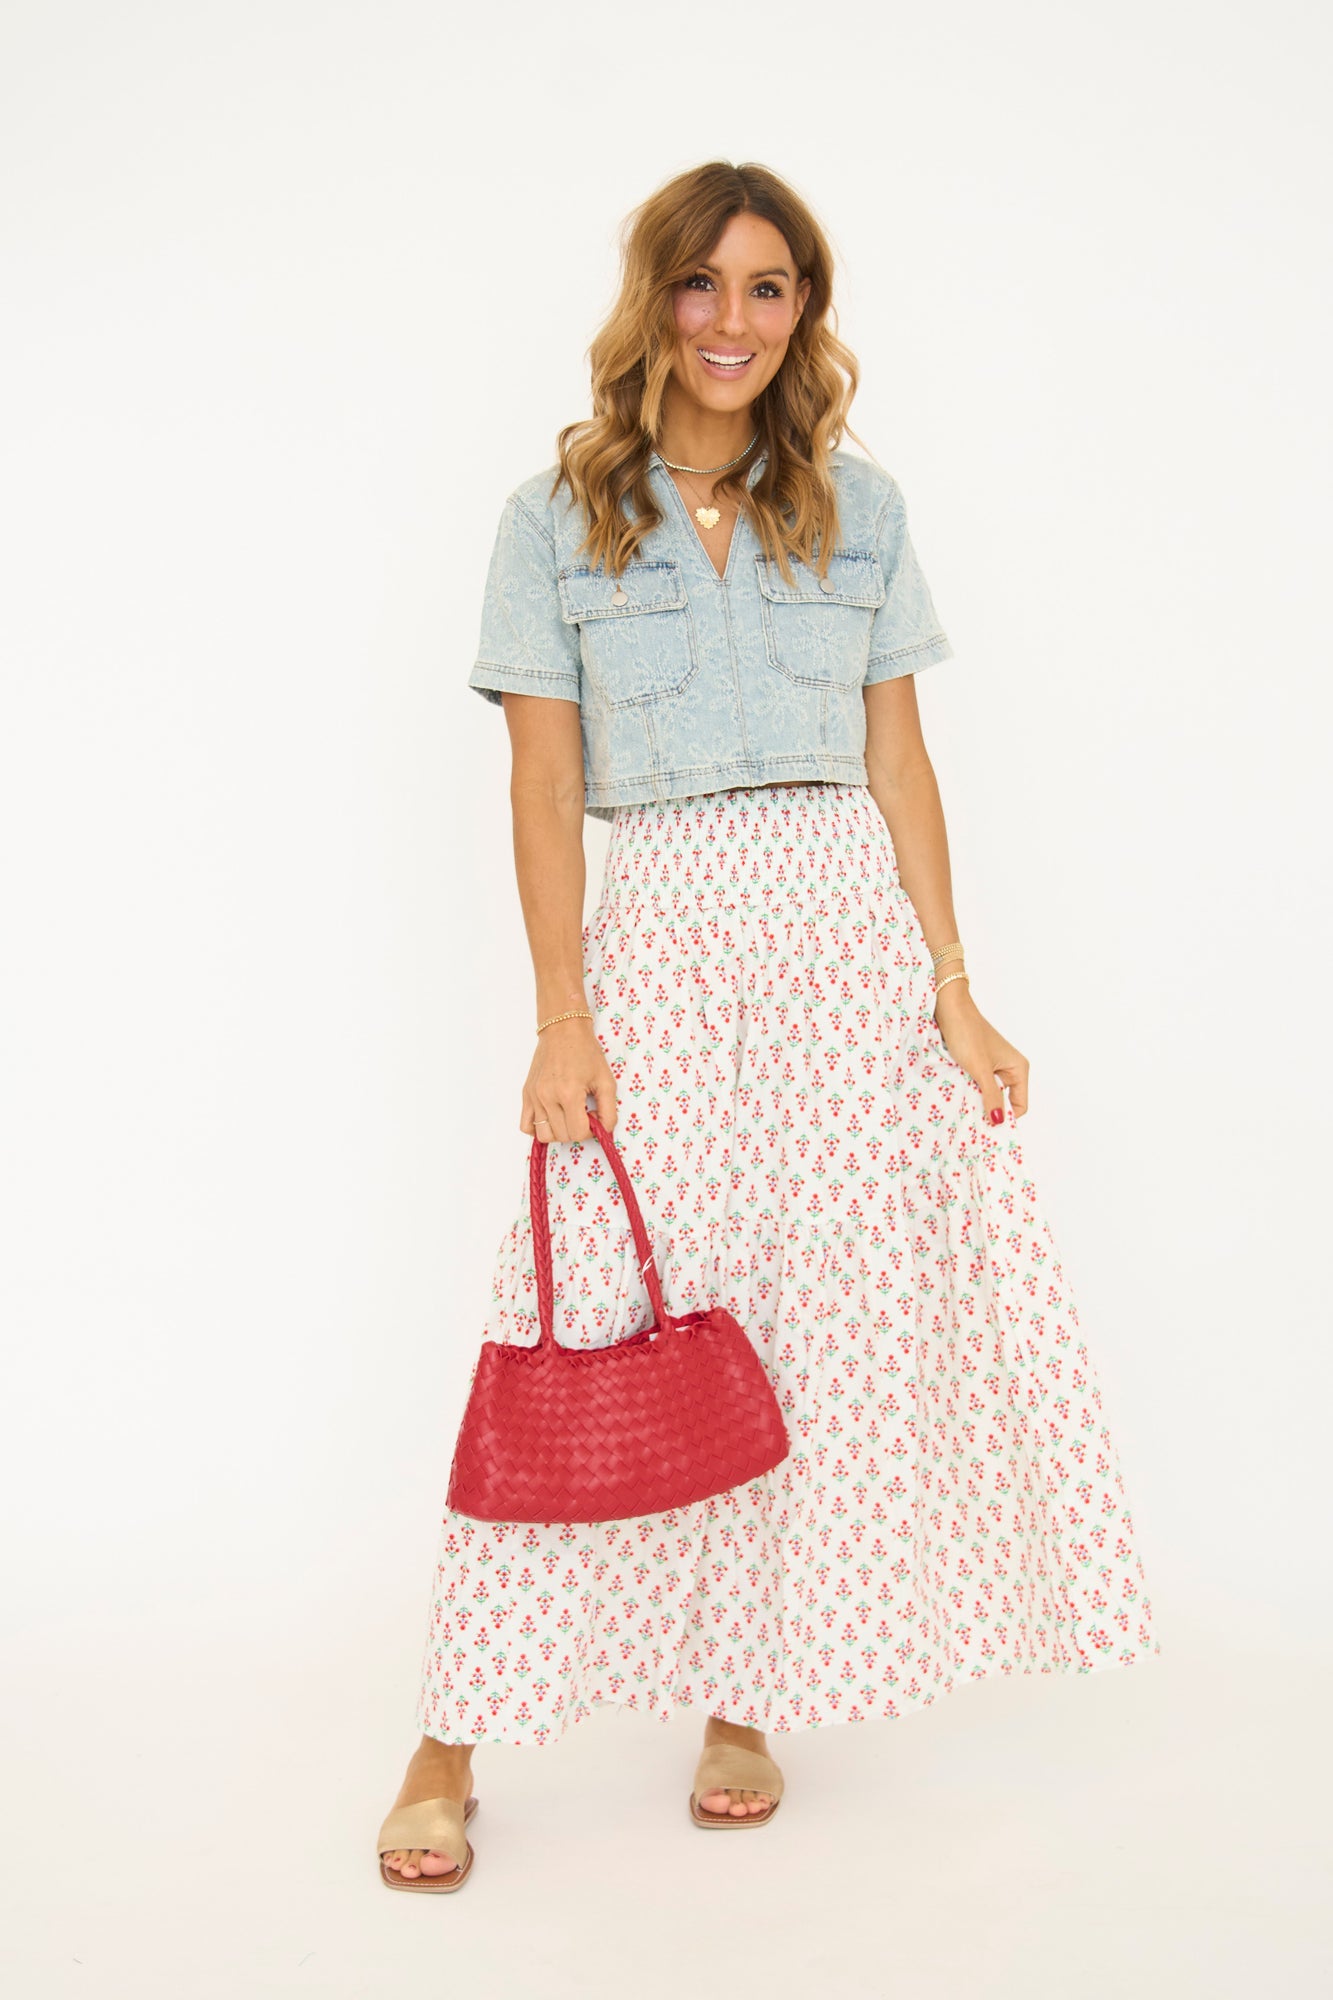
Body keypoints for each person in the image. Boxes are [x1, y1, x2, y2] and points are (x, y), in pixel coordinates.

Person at [377, 159, 1160, 1892]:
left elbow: (898, 761)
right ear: (651, 299)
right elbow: (542, 783)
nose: (732, 321)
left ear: (802, 312)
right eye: (702, 283)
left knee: (804, 1325)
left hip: (841, 949)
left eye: (769, 288)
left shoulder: (857, 507)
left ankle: (746, 1702)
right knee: (578, 1311)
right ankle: (450, 1735)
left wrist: (951, 986)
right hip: (656, 944)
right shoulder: (554, 517)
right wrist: (561, 1017)